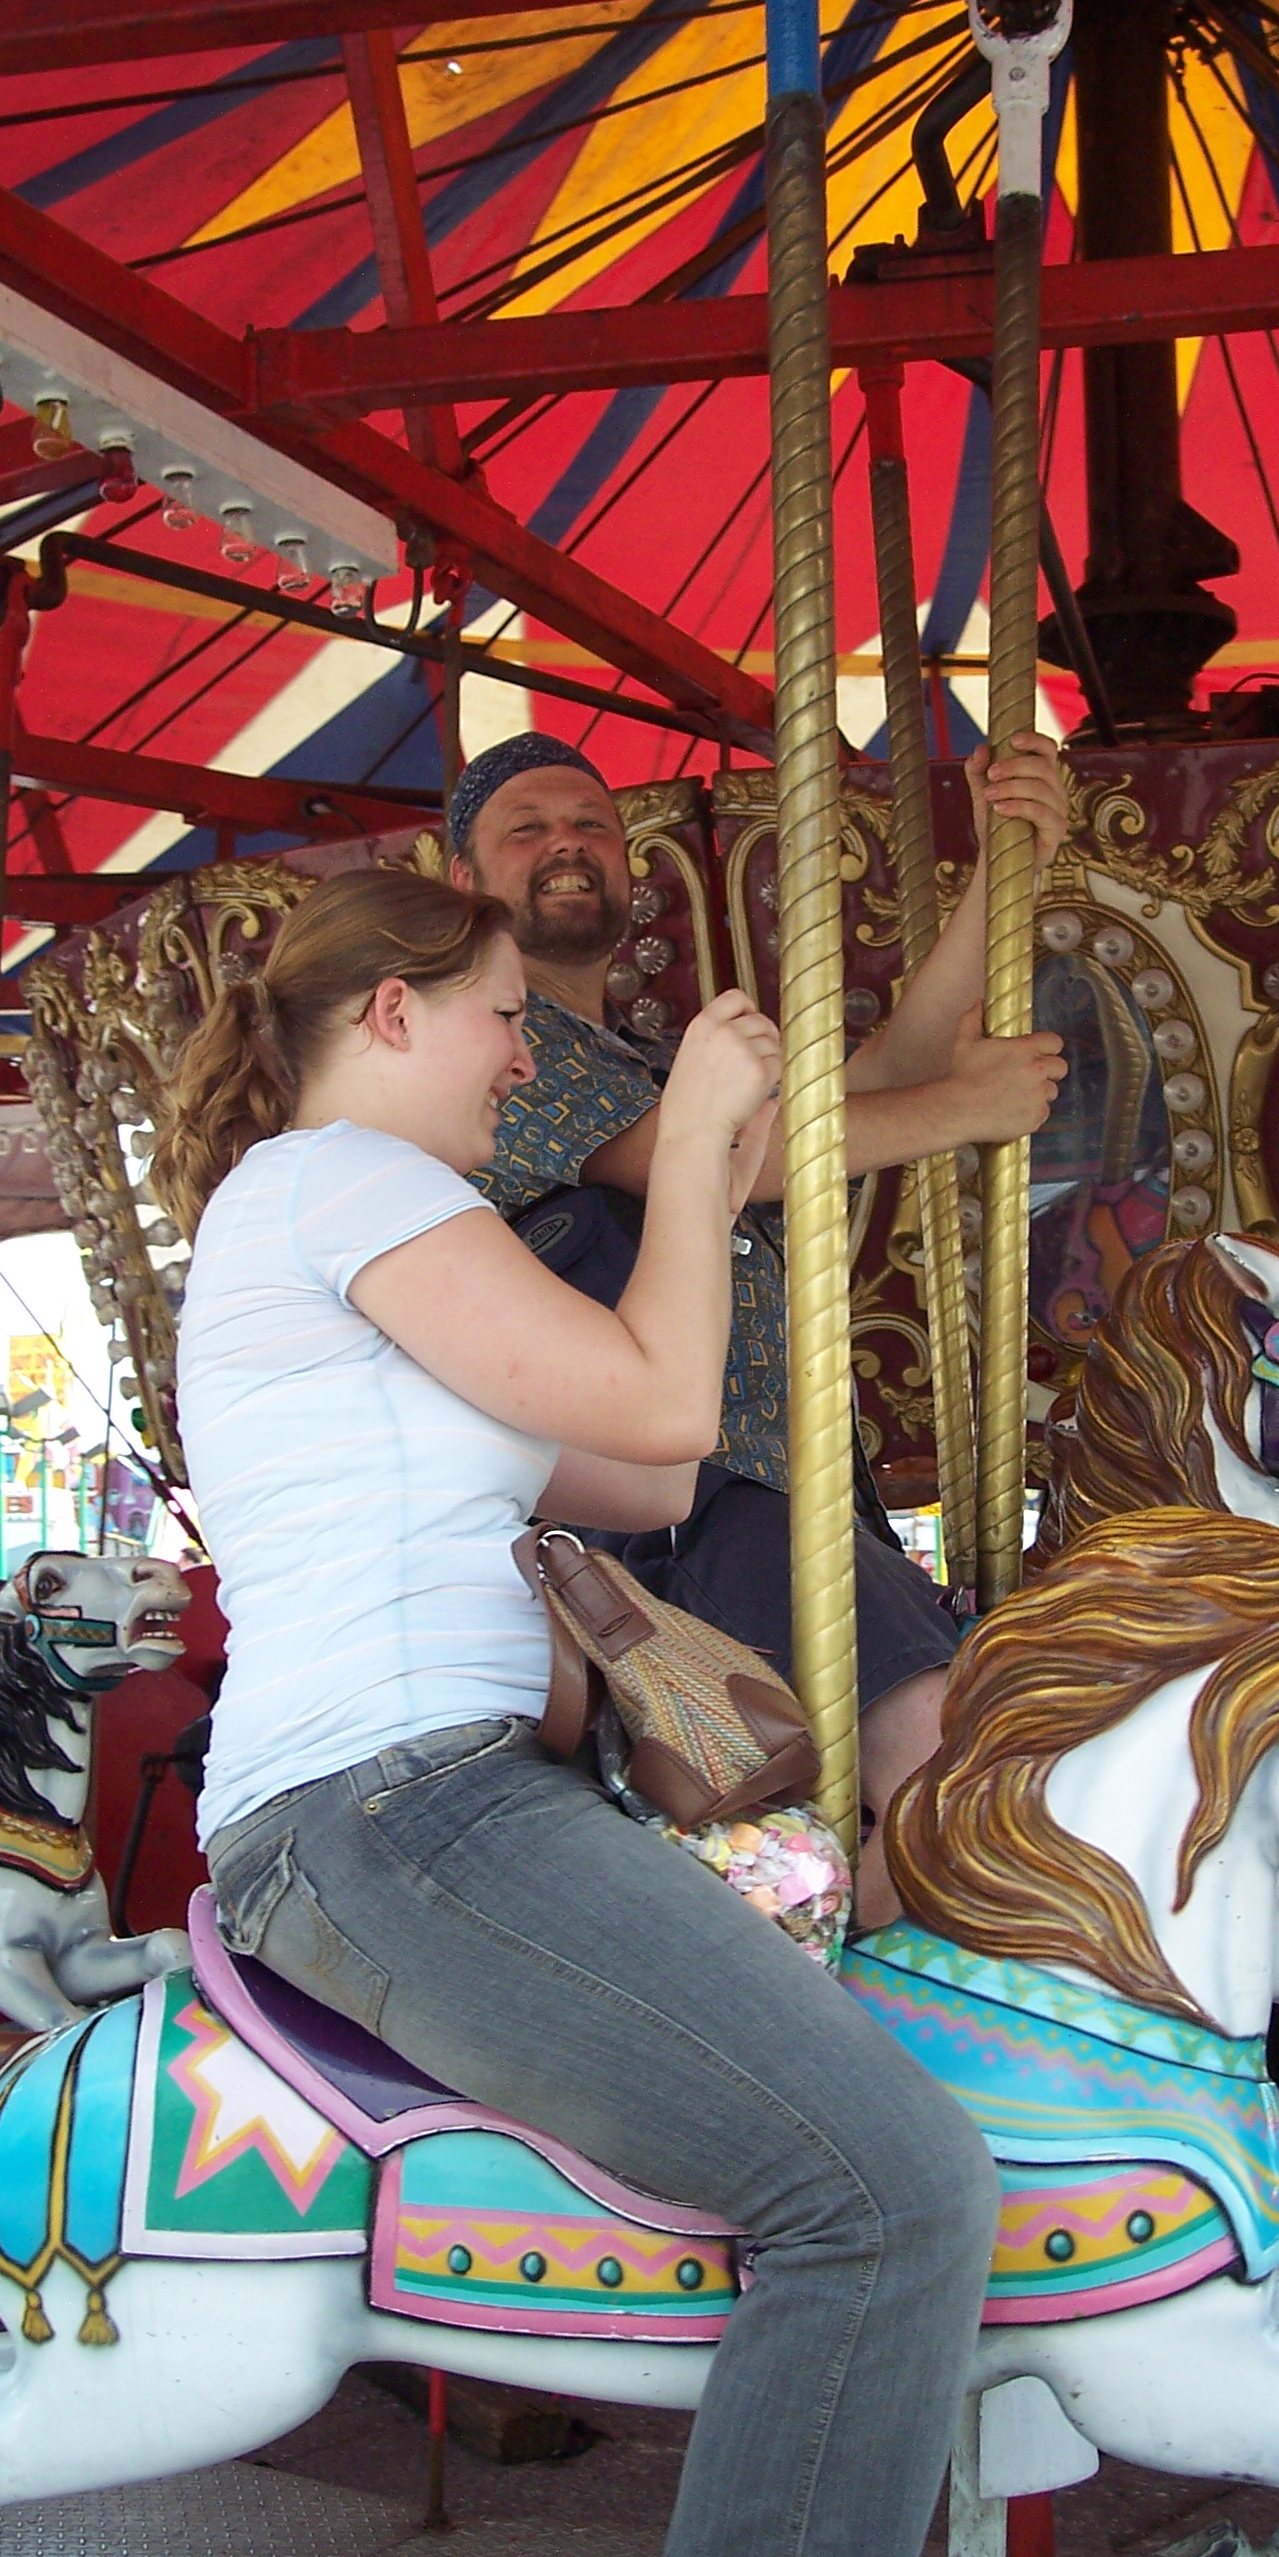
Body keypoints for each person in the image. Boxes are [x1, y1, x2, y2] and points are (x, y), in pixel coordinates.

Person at [151, 868, 996, 2557]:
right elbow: (670, 1403)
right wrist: (687, 1145)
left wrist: (734, 1169)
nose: (523, 1058)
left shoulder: (364, 1242)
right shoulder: (346, 1180)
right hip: (395, 1806)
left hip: (415, 1800)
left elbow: (637, 1473)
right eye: (501, 1016)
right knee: (891, 2188)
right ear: (390, 1015)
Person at [448, 730, 1069, 1924]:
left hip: (769, 1490)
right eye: (526, 828)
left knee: (950, 1784)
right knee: (949, 1777)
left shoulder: (630, 1055)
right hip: (681, 1511)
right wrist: (963, 1110)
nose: (566, 843)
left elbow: (872, 1077)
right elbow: (728, 1156)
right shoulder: (506, 1056)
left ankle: (820, 1954)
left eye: (588, 825)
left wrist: (1005, 868)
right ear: (464, 879)